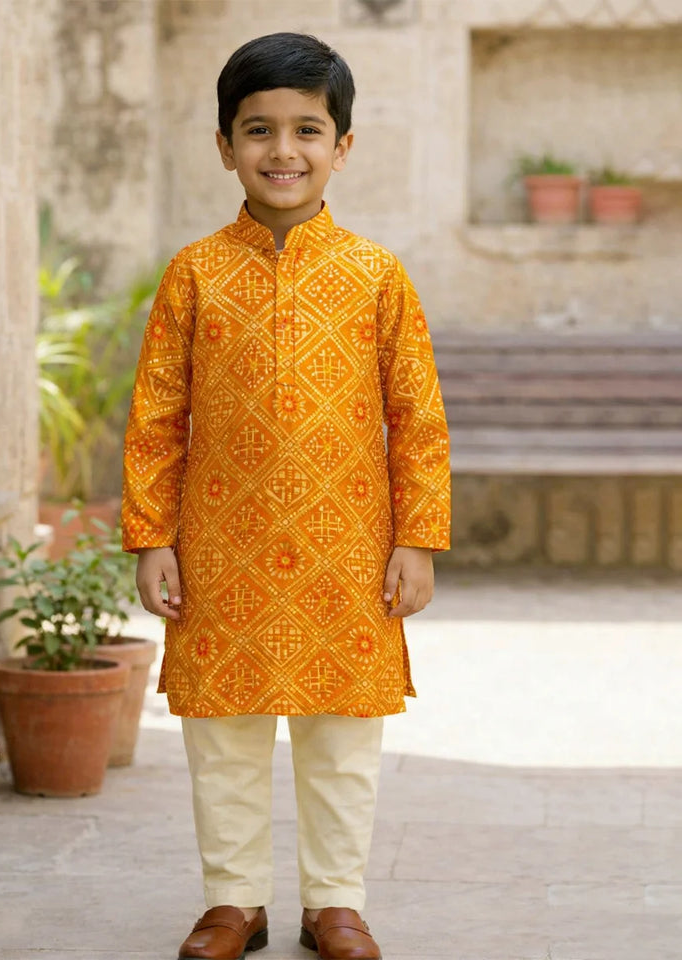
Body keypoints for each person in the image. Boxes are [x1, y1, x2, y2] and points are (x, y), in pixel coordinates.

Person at [122, 32, 450, 960]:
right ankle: (233, 902)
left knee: (342, 736)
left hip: (349, 544)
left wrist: (417, 537)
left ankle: (335, 903)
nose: (283, 150)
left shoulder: (377, 275)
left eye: (307, 129)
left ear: (342, 146)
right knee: (221, 734)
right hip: (219, 543)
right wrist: (152, 537)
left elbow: (417, 416)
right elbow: (156, 417)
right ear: (224, 145)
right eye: (258, 128)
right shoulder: (194, 273)